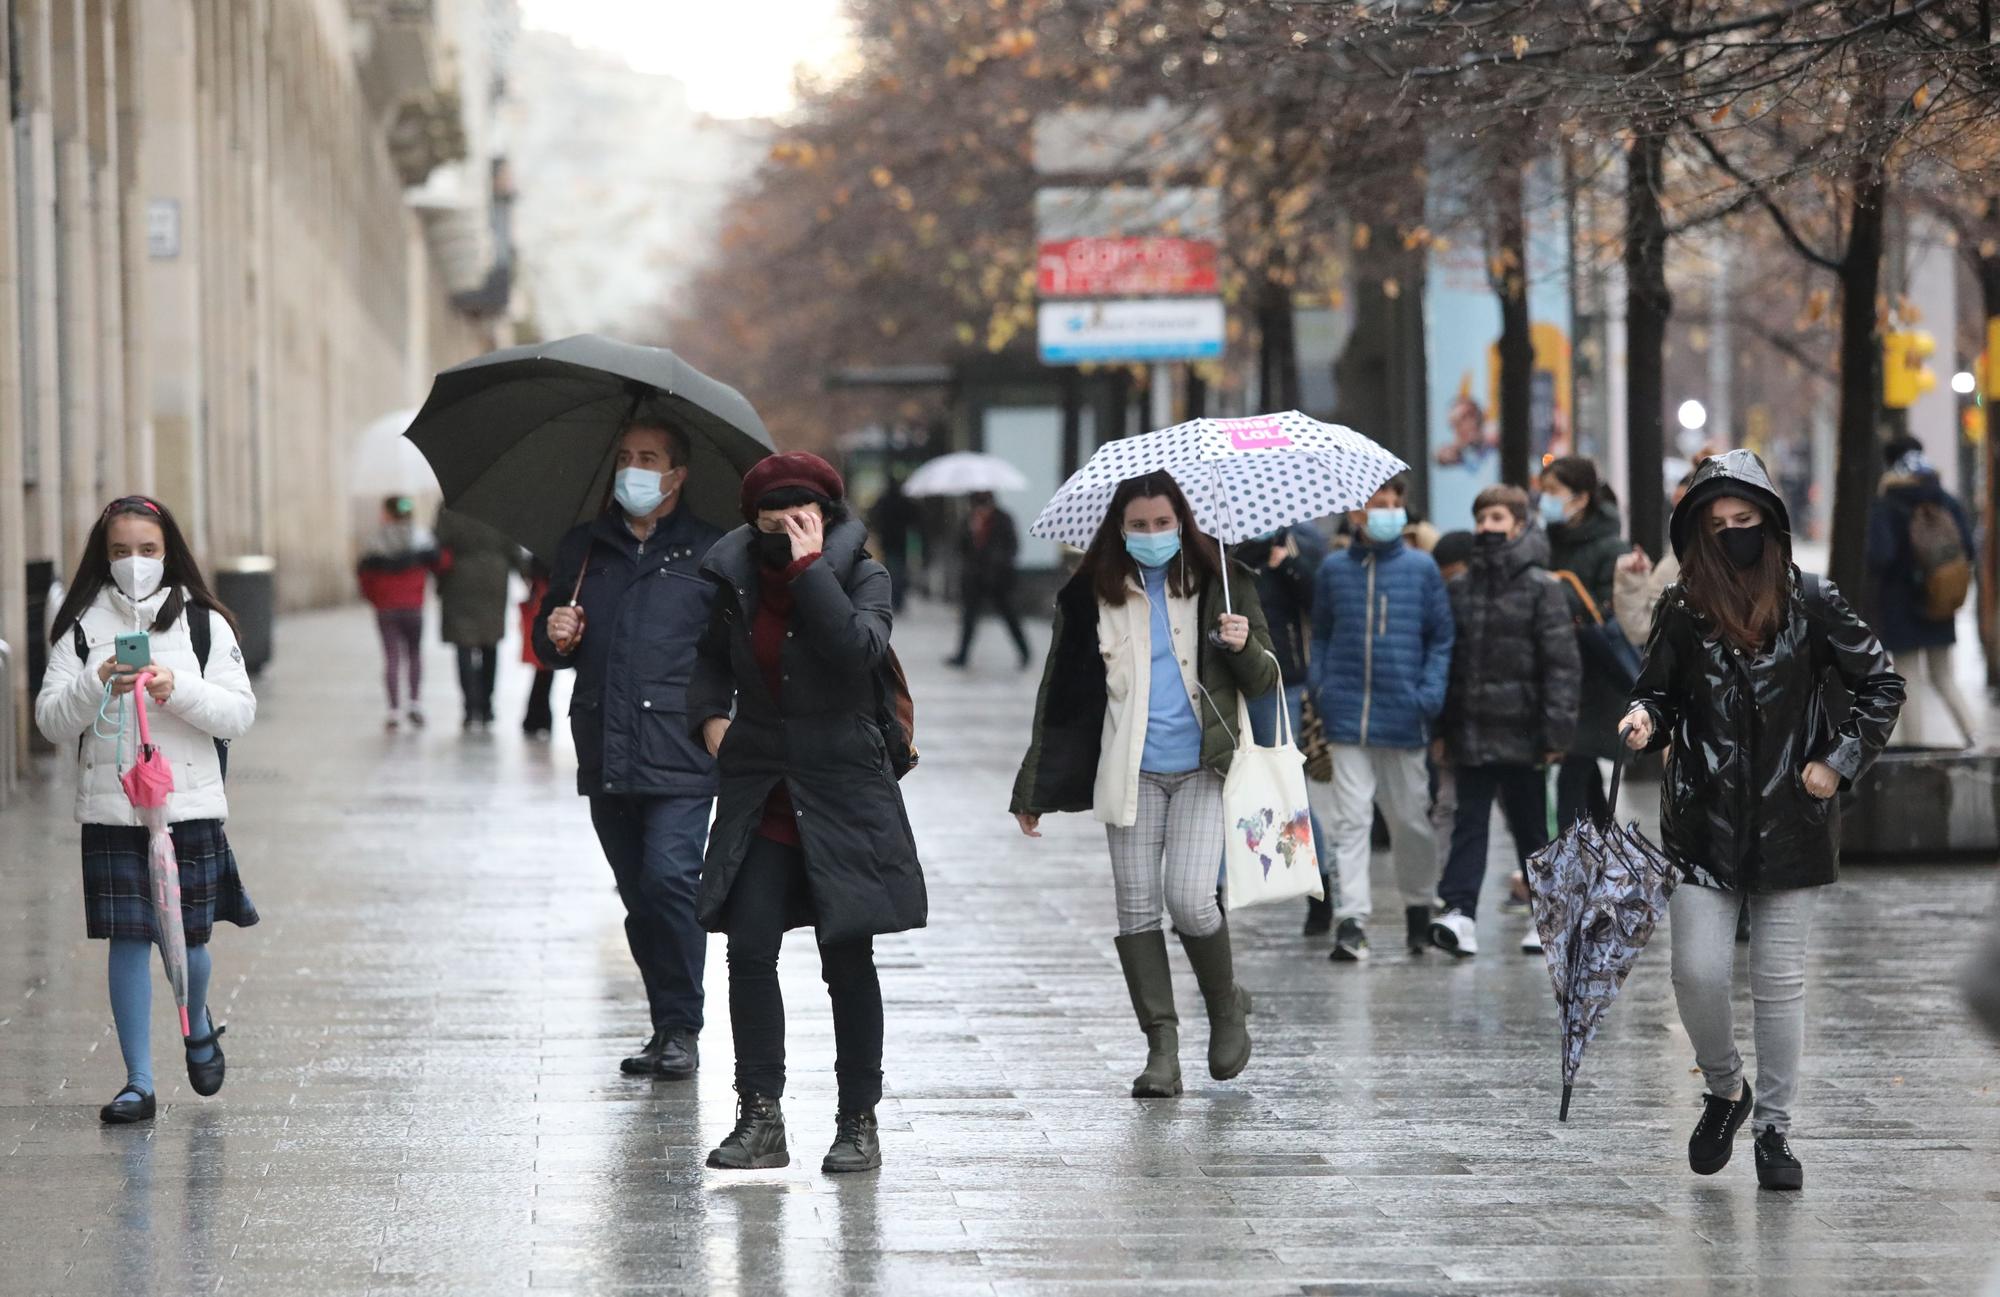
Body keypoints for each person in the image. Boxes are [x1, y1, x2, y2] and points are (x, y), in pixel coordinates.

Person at [1623, 450, 1903, 1191]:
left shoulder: (1811, 599)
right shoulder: (1683, 607)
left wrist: (1836, 760)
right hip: (1700, 821)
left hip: (1792, 819)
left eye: (1744, 521)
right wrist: (1643, 718)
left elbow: (1881, 682)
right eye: (1717, 525)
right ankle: (1725, 1088)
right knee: (1697, 970)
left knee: (1779, 984)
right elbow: (1658, 691)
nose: (1732, 535)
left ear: (1770, 523)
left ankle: (1775, 1128)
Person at [689, 453, 925, 1174]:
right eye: (773, 524)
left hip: (843, 786)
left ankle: (859, 1119)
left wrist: (811, 568)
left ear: (827, 517)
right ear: (751, 523)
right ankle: (760, 1114)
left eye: (804, 520)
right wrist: (709, 720)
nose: (787, 532)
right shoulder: (731, 578)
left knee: (846, 952)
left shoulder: (864, 573)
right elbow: (707, 662)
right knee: (749, 943)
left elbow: (857, 650)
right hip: (762, 782)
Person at [1012, 471, 1276, 1100]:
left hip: (1202, 770)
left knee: (1188, 899)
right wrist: (1034, 788)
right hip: (1130, 775)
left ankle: (1225, 1008)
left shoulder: (1223, 583)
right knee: (1135, 908)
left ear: (1183, 522)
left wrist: (1241, 646)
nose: (1153, 534)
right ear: (1119, 530)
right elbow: (1063, 697)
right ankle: (1162, 1049)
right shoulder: (1090, 597)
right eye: (1139, 526)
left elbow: (1266, 678)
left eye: (1163, 523)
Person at [35, 496, 259, 1124]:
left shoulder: (205, 623)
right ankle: (138, 1082)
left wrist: (174, 687)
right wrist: (97, 679)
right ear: (103, 557)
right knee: (128, 939)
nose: (135, 563)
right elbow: (52, 721)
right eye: (121, 551)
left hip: (187, 806)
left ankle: (197, 1022)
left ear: (170, 551)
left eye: (149, 549)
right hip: (115, 808)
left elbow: (239, 712)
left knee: (189, 941)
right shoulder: (81, 624)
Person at [533, 420, 722, 1081]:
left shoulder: (710, 551)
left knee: (673, 879)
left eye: (648, 458)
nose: (633, 470)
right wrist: (556, 631)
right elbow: (550, 642)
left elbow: (732, 651)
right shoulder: (587, 547)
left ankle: (683, 1026)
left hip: (681, 747)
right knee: (639, 895)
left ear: (678, 474)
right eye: (624, 458)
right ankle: (664, 1022)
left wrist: (724, 716)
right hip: (606, 747)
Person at [1308, 477, 1454, 962]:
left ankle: (1417, 908)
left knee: (1410, 817)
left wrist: (1428, 694)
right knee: (1350, 818)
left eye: (1395, 505)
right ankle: (1351, 920)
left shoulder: (1421, 569)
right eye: (1378, 505)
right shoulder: (1333, 571)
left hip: (1404, 712)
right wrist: (1321, 685)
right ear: (1357, 515)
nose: (1388, 513)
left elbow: (1440, 637)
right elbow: (1323, 633)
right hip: (1347, 712)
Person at [1430, 485, 1579, 958]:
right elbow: (1447, 662)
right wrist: (1440, 730)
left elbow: (1561, 665)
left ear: (1518, 524)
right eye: (1481, 518)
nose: (1486, 527)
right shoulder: (1460, 588)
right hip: (1470, 731)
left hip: (1523, 732)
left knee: (1531, 826)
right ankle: (1459, 912)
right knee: (1468, 823)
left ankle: (1547, 915)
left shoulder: (1543, 588)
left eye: (1496, 518)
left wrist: (1556, 732)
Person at [1237, 524, 1333, 935]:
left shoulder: (1300, 543)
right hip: (1227, 684)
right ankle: (1215, 890)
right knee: (1222, 789)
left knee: (1287, 789)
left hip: (1282, 683)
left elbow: (1320, 605)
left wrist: (1287, 564)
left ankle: (1320, 887)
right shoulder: (1216, 548)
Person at [1867, 437, 1978, 749]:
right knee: (1943, 675)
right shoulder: (1942, 496)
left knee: (1909, 677)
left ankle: (1914, 747)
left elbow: (1881, 555)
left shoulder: (1888, 501)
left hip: (1900, 603)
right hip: (1939, 597)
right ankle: (1976, 736)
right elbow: (1967, 548)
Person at [1539, 456, 1628, 830]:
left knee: (1574, 772)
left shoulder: (1612, 548)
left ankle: (1570, 872)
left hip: (1595, 675)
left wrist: (1556, 589)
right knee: (1584, 773)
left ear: (1580, 498)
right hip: (1558, 675)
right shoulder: (1545, 541)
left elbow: (1612, 612)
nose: (1544, 500)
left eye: (1552, 492)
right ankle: (1603, 860)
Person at [357, 495, 445, 730]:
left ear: (387, 514)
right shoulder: (422, 538)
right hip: (413, 607)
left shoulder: (375, 541)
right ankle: (415, 703)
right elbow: (439, 563)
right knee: (414, 654)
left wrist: (375, 598)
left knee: (392, 657)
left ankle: (394, 709)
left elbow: (364, 577)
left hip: (386, 608)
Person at [434, 507, 516, 732]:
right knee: (490, 645)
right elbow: (513, 549)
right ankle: (487, 706)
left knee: (464, 645)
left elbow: (439, 544)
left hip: (459, 581)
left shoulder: (451, 507)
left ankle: (470, 708)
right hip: (494, 581)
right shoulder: (500, 509)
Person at [945, 490, 1031, 670]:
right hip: (975, 577)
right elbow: (960, 546)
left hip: (998, 578)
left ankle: (1025, 652)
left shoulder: (1003, 519)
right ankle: (962, 655)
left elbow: (1012, 546)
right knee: (969, 618)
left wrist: (997, 561)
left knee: (1009, 616)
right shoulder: (969, 520)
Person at [866, 471, 919, 612]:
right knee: (900, 571)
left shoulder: (884, 501)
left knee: (889, 570)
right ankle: (899, 600)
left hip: (887, 540)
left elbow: (873, 515)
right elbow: (914, 517)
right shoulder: (903, 501)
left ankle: (892, 598)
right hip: (900, 541)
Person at [520, 558, 556, 739]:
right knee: (545, 666)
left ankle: (535, 717)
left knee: (544, 669)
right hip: (548, 604)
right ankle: (538, 717)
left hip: (543, 600)